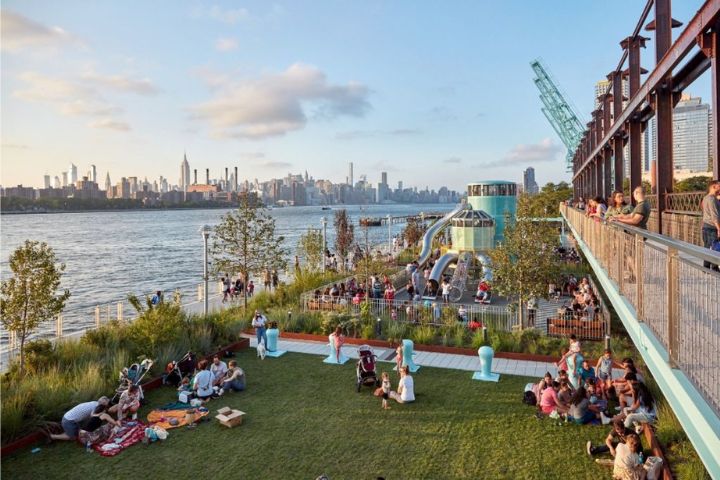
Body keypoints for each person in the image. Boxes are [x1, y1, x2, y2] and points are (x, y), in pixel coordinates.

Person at [701, 180, 720, 271]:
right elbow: (714, 215)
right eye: (719, 185)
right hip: (712, 227)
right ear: (713, 187)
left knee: (707, 246)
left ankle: (706, 268)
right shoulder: (712, 199)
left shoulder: (706, 198)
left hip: (706, 226)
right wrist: (719, 228)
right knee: (714, 247)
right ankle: (715, 268)